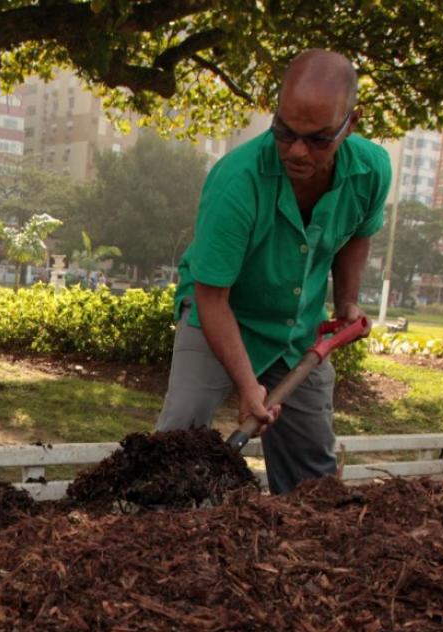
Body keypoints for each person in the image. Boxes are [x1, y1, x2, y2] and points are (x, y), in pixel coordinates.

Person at [155, 49, 391, 494]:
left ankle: (305, 551)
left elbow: (360, 231)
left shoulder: (372, 169)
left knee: (313, 478)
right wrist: (248, 387)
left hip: (296, 327)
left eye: (318, 139)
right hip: (221, 314)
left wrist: (346, 301)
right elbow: (211, 298)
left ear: (351, 124)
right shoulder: (236, 181)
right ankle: (152, 530)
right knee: (176, 442)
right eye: (285, 132)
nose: (297, 151)